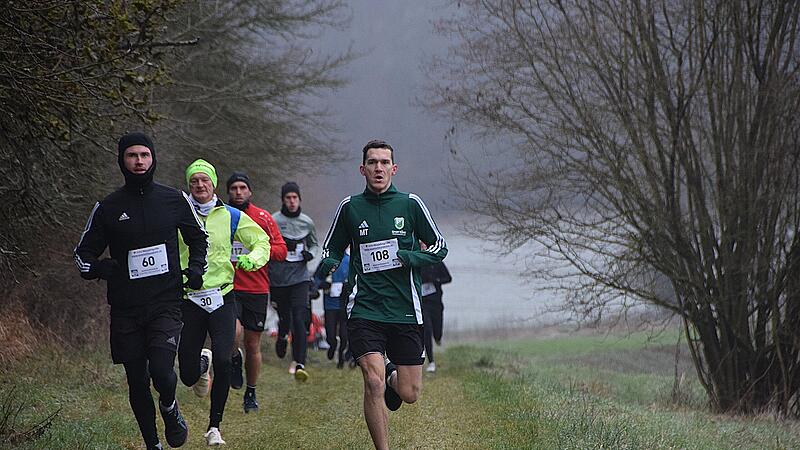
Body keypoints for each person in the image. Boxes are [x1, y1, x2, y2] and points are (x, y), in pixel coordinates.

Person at [74, 132, 208, 450]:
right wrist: (99, 268)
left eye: (144, 155)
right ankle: (152, 444)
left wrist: (196, 269)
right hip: (126, 308)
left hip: (166, 302)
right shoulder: (108, 207)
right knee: (137, 379)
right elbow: (83, 255)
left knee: (162, 371)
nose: (139, 161)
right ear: (122, 160)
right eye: (132, 155)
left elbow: (198, 238)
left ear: (153, 159)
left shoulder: (174, 199)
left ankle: (170, 408)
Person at [319, 140, 448, 450]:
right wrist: (330, 262)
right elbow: (331, 246)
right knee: (372, 381)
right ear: (363, 169)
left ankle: (392, 373)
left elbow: (440, 248)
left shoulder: (411, 204)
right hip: (364, 307)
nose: (378, 168)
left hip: (405, 308)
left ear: (394, 168)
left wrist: (412, 257)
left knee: (410, 393)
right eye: (372, 162)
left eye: (384, 162)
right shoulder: (350, 207)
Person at [178, 159, 270, 446]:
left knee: (224, 358)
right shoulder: (178, 213)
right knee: (187, 373)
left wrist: (252, 260)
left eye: (205, 180)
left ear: (214, 184)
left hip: (222, 296)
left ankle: (214, 427)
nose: (200, 186)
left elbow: (262, 241)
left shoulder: (230, 216)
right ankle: (199, 364)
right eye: (195, 181)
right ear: (189, 185)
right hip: (189, 297)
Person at [226, 171, 288, 413]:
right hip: (227, 285)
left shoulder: (262, 217)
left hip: (256, 287)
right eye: (234, 188)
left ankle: (251, 392)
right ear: (228, 192)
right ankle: (233, 357)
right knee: (233, 332)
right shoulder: (220, 216)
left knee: (253, 344)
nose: (239, 192)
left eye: (243, 188)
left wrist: (258, 253)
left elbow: (281, 250)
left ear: (250, 191)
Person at [269, 181, 320, 381]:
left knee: (299, 318)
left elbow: (315, 244)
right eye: (288, 198)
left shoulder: (307, 222)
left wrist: (310, 254)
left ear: (299, 200)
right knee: (285, 317)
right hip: (279, 278)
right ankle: (282, 336)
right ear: (283, 200)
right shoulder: (273, 220)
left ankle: (299, 361)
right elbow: (265, 244)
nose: (292, 202)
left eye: (295, 198)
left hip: (300, 277)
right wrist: (281, 247)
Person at [313, 248, 350, 368]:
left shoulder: (350, 260)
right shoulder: (327, 261)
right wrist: (321, 284)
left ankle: (341, 357)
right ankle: (332, 345)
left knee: (344, 335)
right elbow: (316, 278)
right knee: (330, 334)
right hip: (330, 304)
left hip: (345, 303)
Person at [420, 260, 452, 373]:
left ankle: (438, 338)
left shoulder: (436, 261)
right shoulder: (415, 261)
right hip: (422, 303)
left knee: (437, 331)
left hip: (436, 303)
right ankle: (431, 362)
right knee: (426, 330)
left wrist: (435, 280)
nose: (422, 246)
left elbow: (448, 278)